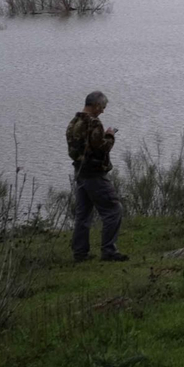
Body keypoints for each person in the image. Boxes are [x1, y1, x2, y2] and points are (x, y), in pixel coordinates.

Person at [67, 90, 128, 262]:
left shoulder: (73, 122)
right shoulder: (94, 124)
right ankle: (109, 251)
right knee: (114, 210)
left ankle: (80, 253)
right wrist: (110, 135)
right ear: (95, 105)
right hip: (94, 174)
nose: (103, 111)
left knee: (83, 214)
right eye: (102, 107)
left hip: (79, 172)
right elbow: (102, 147)